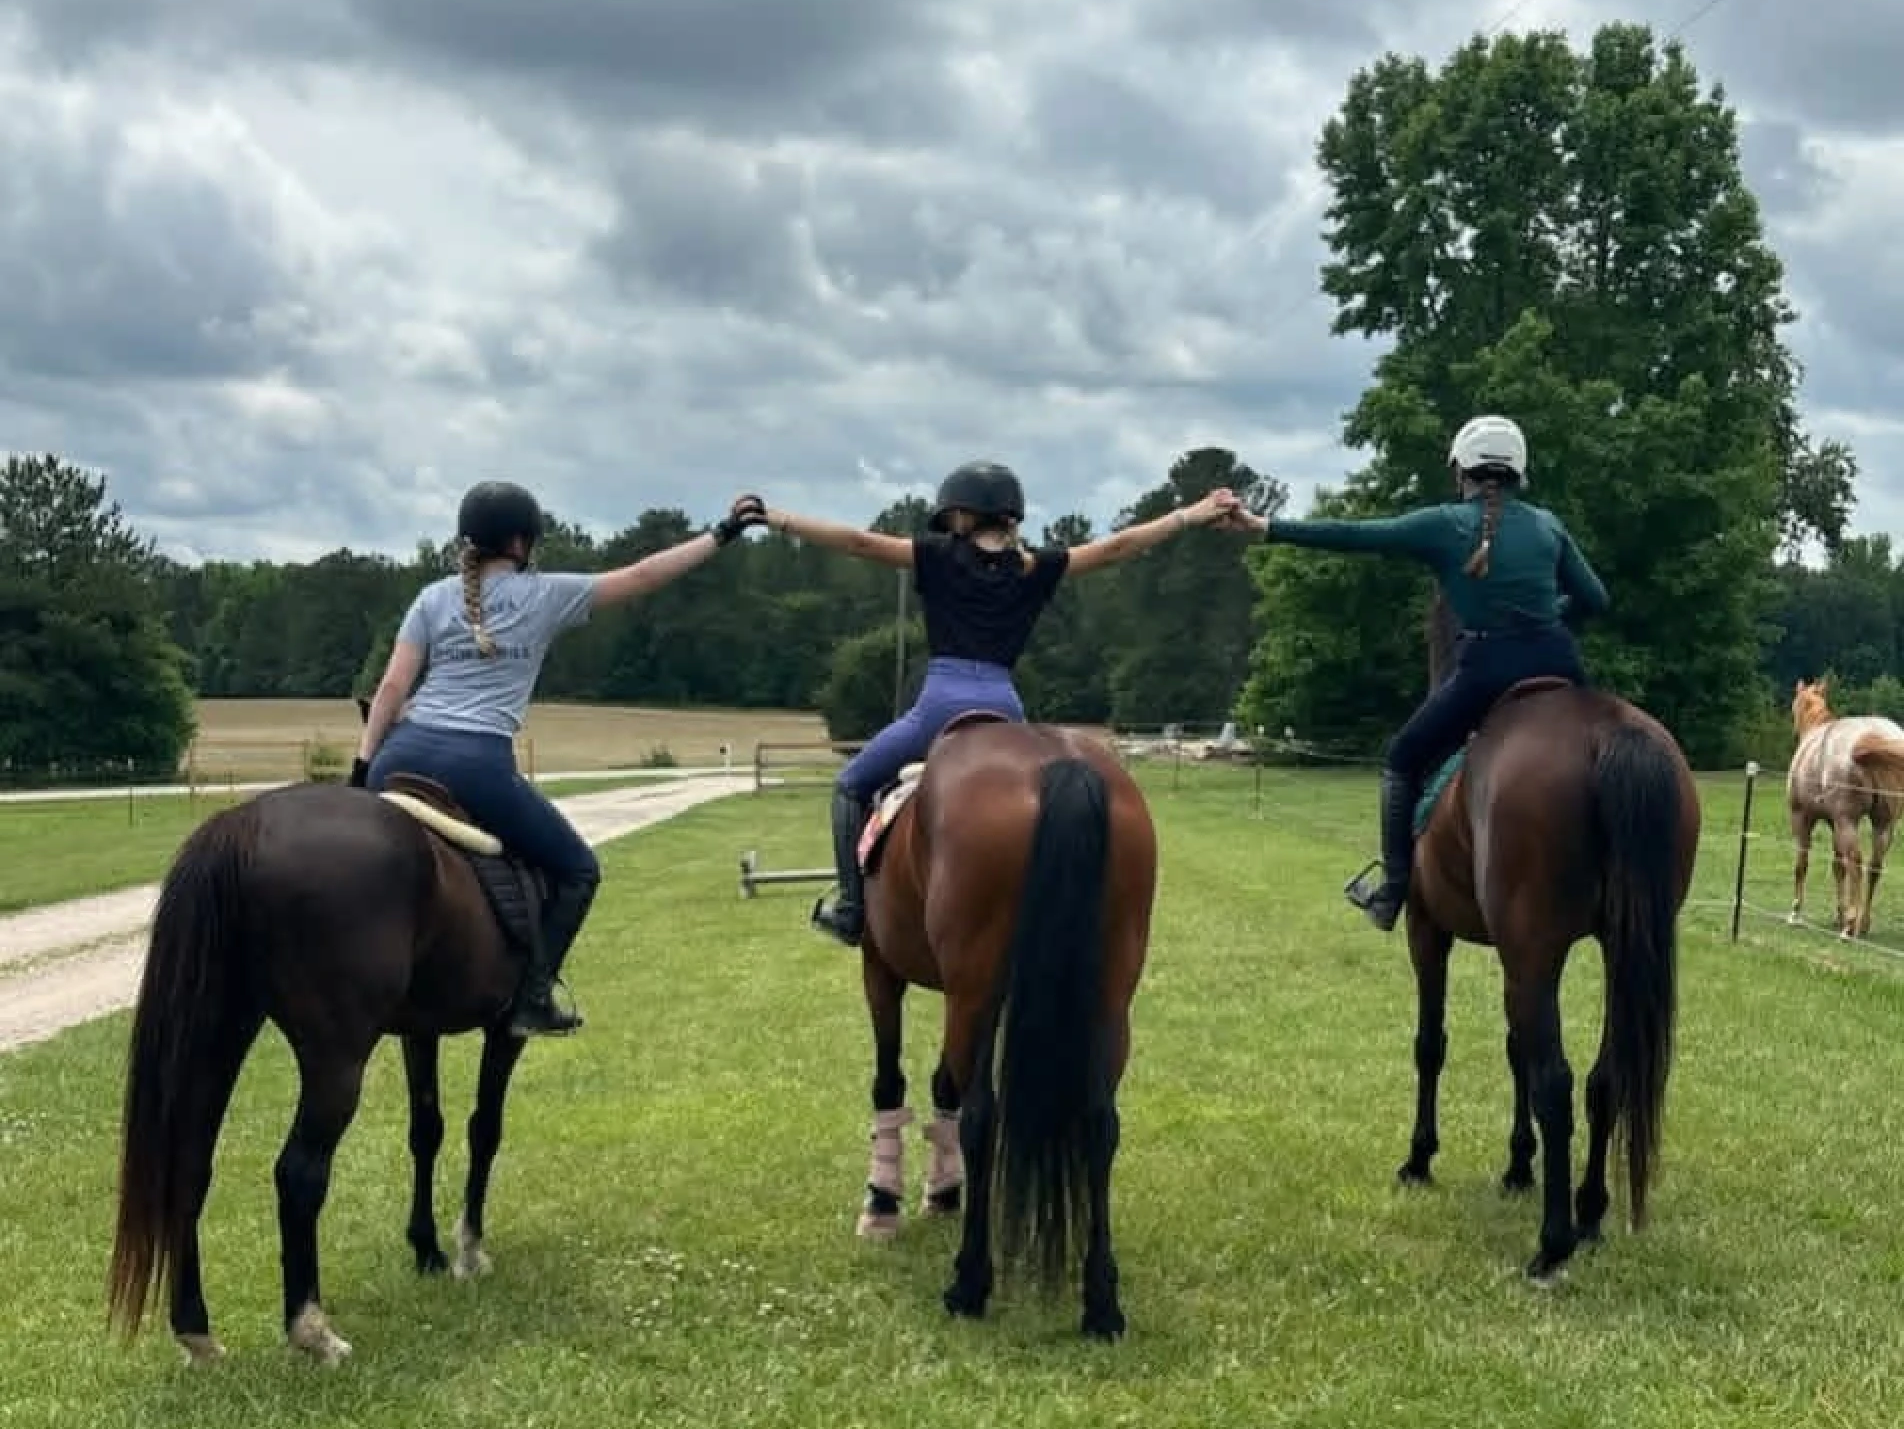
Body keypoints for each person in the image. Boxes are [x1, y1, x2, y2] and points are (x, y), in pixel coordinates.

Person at [756, 460, 1242, 946]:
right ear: (1011, 518)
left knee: (850, 785)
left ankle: (851, 909)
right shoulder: (1038, 567)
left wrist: (777, 518)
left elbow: (856, 542)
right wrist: (1193, 514)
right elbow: (1119, 547)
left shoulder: (935, 556)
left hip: (939, 703)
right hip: (1005, 705)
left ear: (964, 516)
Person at [353, 479, 765, 1035]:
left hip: (397, 755)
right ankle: (533, 997)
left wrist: (363, 767)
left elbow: (391, 689)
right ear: (521, 544)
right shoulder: (546, 594)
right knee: (578, 869)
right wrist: (721, 535)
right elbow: (643, 575)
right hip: (475, 764)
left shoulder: (431, 598)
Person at [1225, 415, 1609, 931]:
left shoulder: (1444, 525)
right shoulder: (1549, 525)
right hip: (1560, 661)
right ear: (1519, 472)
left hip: (1486, 669)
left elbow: (1354, 535)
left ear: (1462, 472)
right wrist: (1543, 621)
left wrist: (1265, 526)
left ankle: (1392, 892)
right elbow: (1595, 599)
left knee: (1403, 760)